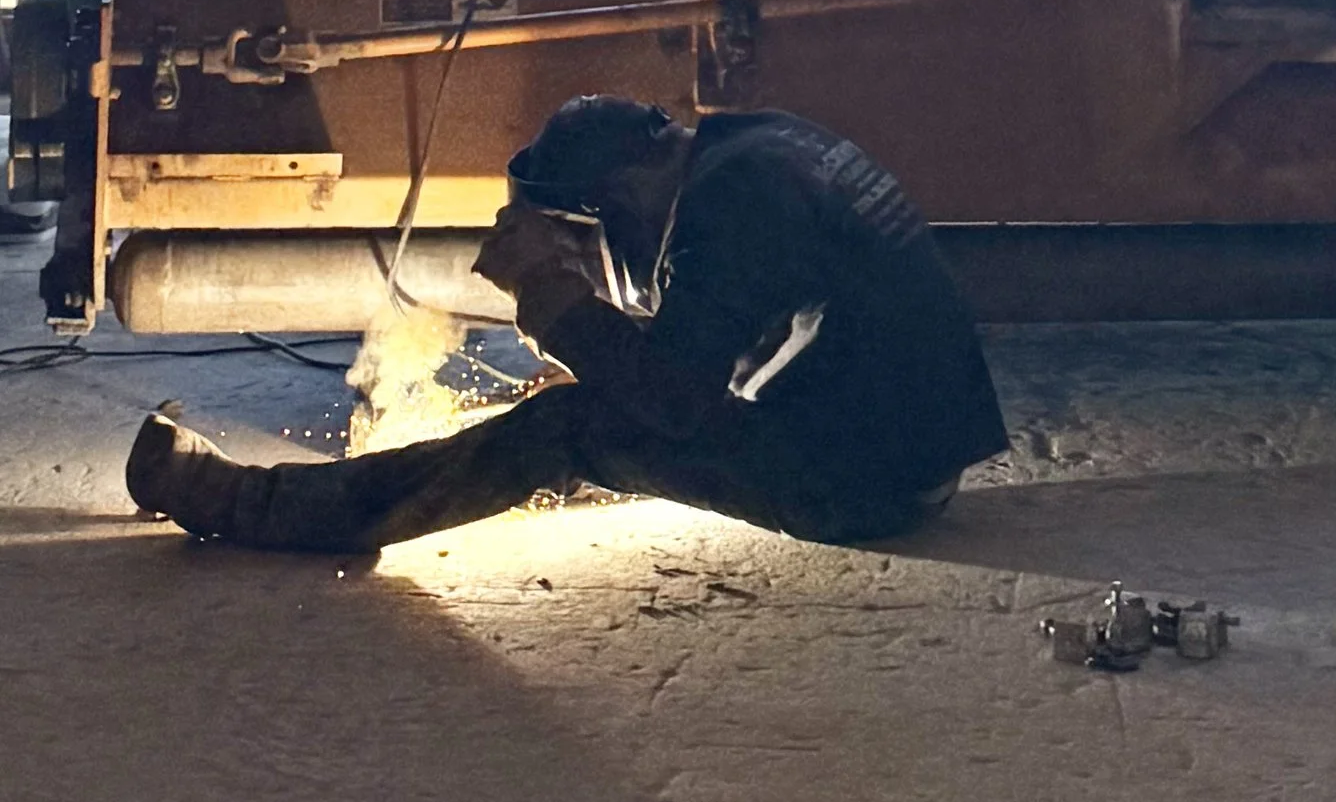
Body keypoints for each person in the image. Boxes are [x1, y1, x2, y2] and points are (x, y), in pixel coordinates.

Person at [125, 95, 1009, 556]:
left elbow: (677, 406)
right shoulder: (753, 147)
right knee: (596, 391)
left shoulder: (731, 206)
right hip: (905, 450)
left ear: (613, 202)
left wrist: (552, 300)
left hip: (869, 490)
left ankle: (253, 505)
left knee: (566, 425)